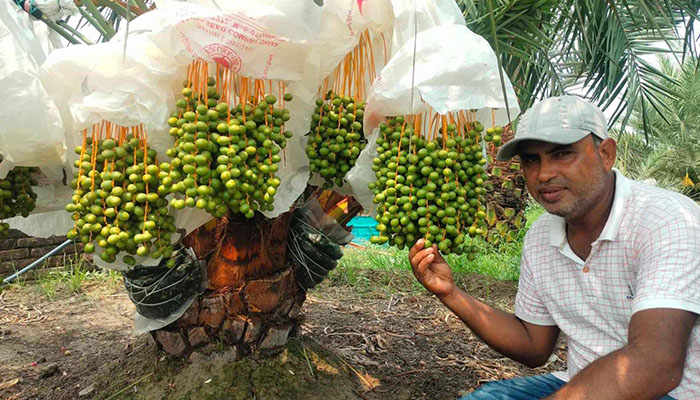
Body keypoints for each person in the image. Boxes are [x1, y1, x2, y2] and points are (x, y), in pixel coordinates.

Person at [408, 96, 700, 400]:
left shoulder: (667, 221)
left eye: (562, 154)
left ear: (606, 154)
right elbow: (533, 344)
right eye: (531, 160)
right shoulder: (541, 235)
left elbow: (657, 363)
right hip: (578, 384)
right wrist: (450, 294)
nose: (544, 173)